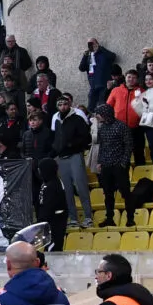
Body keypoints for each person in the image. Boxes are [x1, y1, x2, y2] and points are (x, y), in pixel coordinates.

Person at [50, 95, 93, 228]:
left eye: (65, 104)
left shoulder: (77, 119)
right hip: (61, 158)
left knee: (81, 187)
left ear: (69, 105)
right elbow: (56, 139)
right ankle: (73, 218)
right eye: (60, 105)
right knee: (67, 190)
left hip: (75, 155)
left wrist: (71, 144)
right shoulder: (56, 120)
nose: (63, 107)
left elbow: (86, 137)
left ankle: (88, 217)